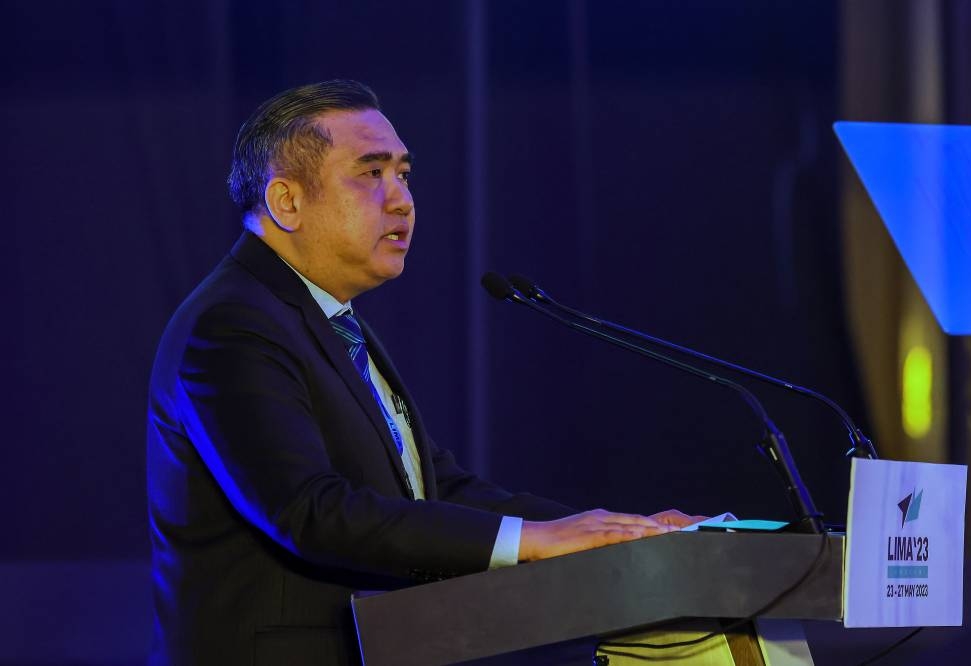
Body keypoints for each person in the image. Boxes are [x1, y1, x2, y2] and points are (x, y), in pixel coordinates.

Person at [147, 79, 701, 666]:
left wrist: (618, 534)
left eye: (404, 174)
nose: (402, 200)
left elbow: (437, 488)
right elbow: (309, 512)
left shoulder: (328, 321)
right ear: (287, 202)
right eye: (371, 173)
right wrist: (533, 541)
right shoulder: (232, 325)